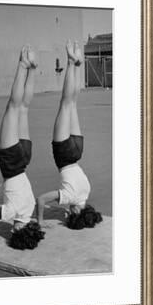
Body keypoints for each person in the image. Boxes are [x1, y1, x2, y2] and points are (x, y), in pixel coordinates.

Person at [36, 40, 102, 230]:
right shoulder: (70, 197)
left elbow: (75, 193)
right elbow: (41, 200)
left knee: (73, 103)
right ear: (75, 213)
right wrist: (40, 221)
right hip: (64, 155)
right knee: (66, 102)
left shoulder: (85, 193)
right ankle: (71, 62)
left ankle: (76, 65)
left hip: (77, 151)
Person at [0, 45, 45, 251]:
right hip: (12, 163)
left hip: (25, 158)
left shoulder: (29, 211)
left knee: (23, 109)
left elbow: (38, 212)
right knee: (12, 106)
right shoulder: (13, 212)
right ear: (16, 231)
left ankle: (33, 68)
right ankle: (22, 64)